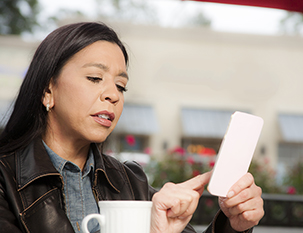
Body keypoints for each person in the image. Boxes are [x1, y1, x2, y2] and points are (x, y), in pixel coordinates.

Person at [0, 22, 264, 233]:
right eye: (94, 78)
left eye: (121, 86)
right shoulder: (5, 179)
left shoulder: (129, 182)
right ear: (48, 90)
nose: (113, 95)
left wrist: (232, 225)